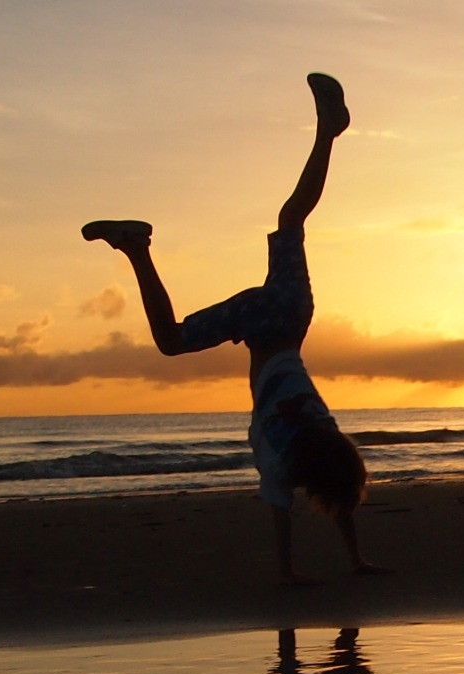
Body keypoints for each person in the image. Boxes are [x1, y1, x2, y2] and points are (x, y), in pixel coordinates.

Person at [82, 73, 389, 585]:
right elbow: (286, 512)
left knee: (292, 216)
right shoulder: (280, 455)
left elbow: (340, 485)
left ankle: (327, 131)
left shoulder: (325, 432)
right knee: (171, 340)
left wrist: (356, 560)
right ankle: (137, 249)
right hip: (263, 327)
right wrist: (293, 574)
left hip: (290, 314)